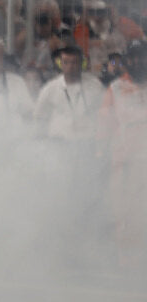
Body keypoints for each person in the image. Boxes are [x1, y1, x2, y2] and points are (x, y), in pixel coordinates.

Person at [99, 40, 147, 259]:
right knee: (123, 210)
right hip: (125, 160)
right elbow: (104, 124)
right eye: (133, 57)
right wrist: (101, 154)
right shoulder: (116, 88)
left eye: (142, 57)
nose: (137, 62)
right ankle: (126, 260)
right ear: (127, 60)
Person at [33, 45, 104, 141]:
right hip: (59, 143)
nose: (70, 66)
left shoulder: (95, 85)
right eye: (66, 62)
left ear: (81, 64)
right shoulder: (50, 88)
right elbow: (39, 117)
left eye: (74, 62)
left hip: (88, 141)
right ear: (60, 64)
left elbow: (105, 113)